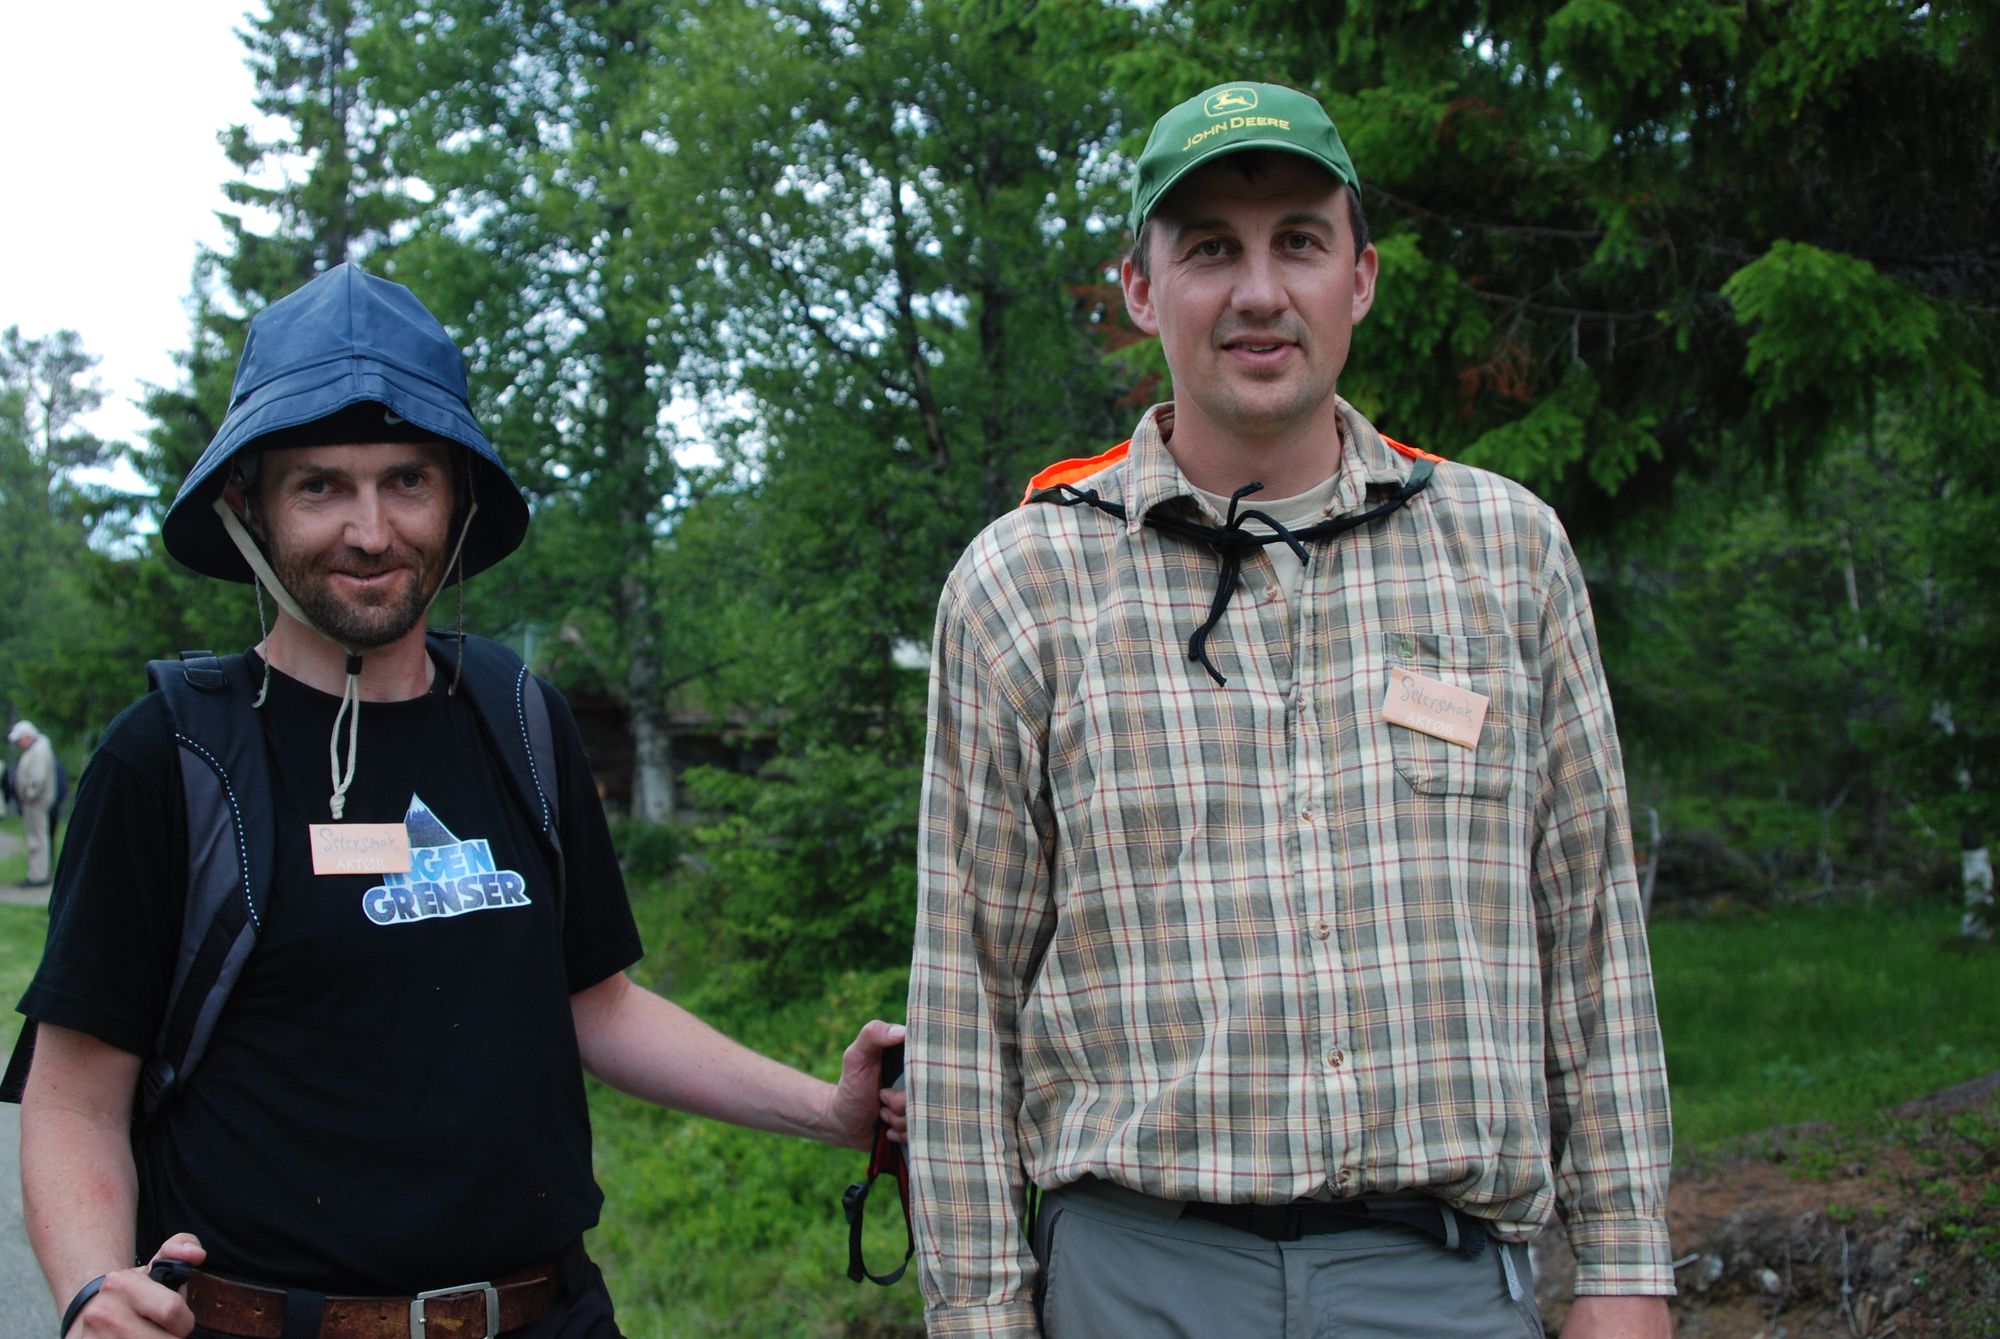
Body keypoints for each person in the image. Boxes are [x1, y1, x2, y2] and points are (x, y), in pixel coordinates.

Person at [907, 81, 1673, 1338]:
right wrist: (979, 1312)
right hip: (1132, 1275)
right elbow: (963, 989)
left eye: (1296, 243)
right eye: (1209, 246)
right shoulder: (1020, 583)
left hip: (1444, 1281)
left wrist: (1628, 1273)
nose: (1257, 290)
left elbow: (1590, 938)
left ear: (1357, 279)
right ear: (1142, 290)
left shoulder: (1506, 553)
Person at [14, 263, 906, 1339]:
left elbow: (599, 1004)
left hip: (544, 1316)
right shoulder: (170, 756)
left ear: (458, 497)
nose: (370, 529)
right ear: (247, 502)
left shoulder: (519, 718)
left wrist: (827, 1110)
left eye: (405, 480)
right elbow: (73, 1098)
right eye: (320, 486)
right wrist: (86, 1294)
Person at [8, 719, 57, 886]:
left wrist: (28, 794)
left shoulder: (39, 750)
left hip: (36, 802)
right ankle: (36, 873)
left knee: (38, 839)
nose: (17, 744)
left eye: (18, 739)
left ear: (27, 736)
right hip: (32, 803)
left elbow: (38, 777)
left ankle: (39, 875)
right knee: (34, 838)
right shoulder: (35, 749)